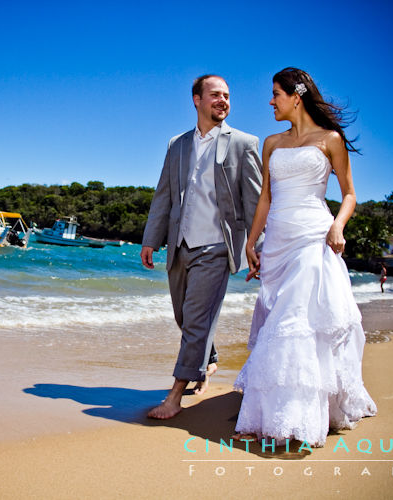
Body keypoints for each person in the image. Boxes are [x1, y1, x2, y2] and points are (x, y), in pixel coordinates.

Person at [232, 68, 376, 446]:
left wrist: (338, 227)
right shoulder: (272, 143)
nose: (270, 101)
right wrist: (252, 242)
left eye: (275, 93)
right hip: (278, 238)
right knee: (278, 320)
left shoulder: (330, 139)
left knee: (299, 319)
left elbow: (348, 193)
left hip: (314, 234)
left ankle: (301, 416)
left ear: (296, 97)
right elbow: (266, 197)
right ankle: (273, 408)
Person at [141, 75, 263, 419]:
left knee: (195, 321)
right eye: (215, 95)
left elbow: (254, 201)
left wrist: (258, 247)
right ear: (197, 99)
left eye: (226, 96)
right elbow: (163, 194)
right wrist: (152, 239)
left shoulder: (243, 143)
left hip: (217, 247)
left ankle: (175, 397)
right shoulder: (176, 144)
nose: (222, 101)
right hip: (180, 245)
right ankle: (206, 360)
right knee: (185, 317)